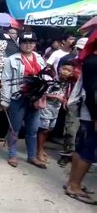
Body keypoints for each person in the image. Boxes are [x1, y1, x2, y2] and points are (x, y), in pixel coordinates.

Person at [1, 32, 47, 169]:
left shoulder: (39, 58)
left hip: (35, 98)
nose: (28, 45)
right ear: (20, 43)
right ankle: (12, 154)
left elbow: (45, 76)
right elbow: (6, 81)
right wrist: (4, 100)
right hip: (18, 98)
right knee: (14, 128)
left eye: (31, 42)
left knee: (33, 129)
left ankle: (32, 156)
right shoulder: (11, 60)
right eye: (25, 42)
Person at [64, 30, 97, 205]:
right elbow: (92, 92)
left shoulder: (90, 59)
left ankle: (72, 182)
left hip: (88, 111)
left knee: (81, 147)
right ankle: (74, 186)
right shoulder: (94, 62)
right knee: (88, 150)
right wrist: (95, 116)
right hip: (91, 112)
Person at [58, 37, 88, 166]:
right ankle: (66, 154)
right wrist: (65, 97)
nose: (80, 51)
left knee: (85, 133)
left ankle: (82, 158)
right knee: (70, 130)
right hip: (74, 101)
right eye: (79, 49)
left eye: (83, 49)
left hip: (88, 102)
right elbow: (62, 81)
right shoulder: (71, 62)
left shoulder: (91, 63)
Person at [37, 60, 74, 163]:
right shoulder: (51, 79)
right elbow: (43, 93)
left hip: (56, 109)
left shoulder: (68, 83)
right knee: (43, 129)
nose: (65, 72)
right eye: (64, 69)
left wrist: (64, 100)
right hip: (46, 107)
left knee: (48, 129)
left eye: (68, 70)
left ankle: (41, 148)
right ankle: (39, 151)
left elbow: (64, 94)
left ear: (72, 73)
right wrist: (56, 97)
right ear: (59, 69)